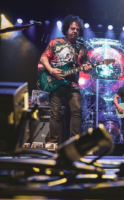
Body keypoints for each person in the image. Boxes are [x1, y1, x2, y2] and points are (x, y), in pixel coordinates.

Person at [39, 15, 92, 144]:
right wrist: (51, 70)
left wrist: (88, 68)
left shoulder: (82, 48)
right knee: (55, 114)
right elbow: (43, 58)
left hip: (72, 84)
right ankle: (52, 144)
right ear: (66, 29)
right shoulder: (56, 42)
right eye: (72, 28)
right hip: (55, 83)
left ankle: (74, 143)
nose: (75, 31)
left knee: (77, 111)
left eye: (77, 29)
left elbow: (86, 65)